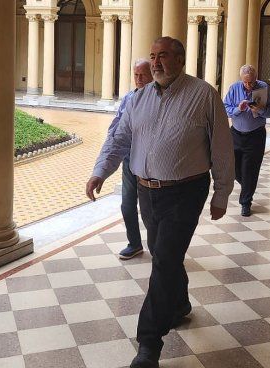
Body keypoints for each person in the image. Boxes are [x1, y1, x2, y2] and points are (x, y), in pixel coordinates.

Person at [86, 37, 234, 368]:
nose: (156, 62)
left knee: (164, 259)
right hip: (146, 192)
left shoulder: (203, 94)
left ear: (180, 59)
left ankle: (149, 343)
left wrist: (221, 193)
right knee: (163, 255)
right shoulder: (138, 99)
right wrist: (100, 172)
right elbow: (119, 139)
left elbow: (222, 147)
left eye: (163, 56)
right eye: (153, 56)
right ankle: (179, 303)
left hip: (186, 191)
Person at [105, 59, 153, 260]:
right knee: (127, 205)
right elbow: (116, 126)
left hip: (149, 163)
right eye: (136, 75)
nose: (139, 79)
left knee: (150, 209)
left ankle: (158, 246)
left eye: (143, 75)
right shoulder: (127, 98)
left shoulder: (158, 100)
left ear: (152, 75)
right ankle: (134, 244)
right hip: (128, 160)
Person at [223, 64, 270, 217]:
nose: (249, 85)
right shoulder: (234, 88)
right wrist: (238, 109)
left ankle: (245, 203)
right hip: (236, 134)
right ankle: (248, 184)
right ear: (241, 80)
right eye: (246, 82)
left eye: (251, 82)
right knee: (231, 168)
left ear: (256, 78)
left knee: (250, 170)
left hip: (255, 135)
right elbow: (225, 108)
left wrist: (259, 110)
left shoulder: (263, 87)